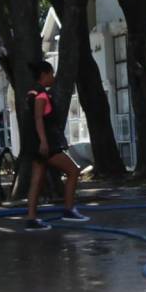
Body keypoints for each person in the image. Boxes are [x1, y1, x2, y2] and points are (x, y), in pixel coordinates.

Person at [24, 60, 89, 230]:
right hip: (47, 146)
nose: (53, 77)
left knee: (36, 180)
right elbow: (39, 119)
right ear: (44, 74)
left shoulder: (31, 93)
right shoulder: (41, 96)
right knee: (73, 171)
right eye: (51, 74)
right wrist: (44, 142)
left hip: (35, 145)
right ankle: (68, 210)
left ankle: (31, 219)